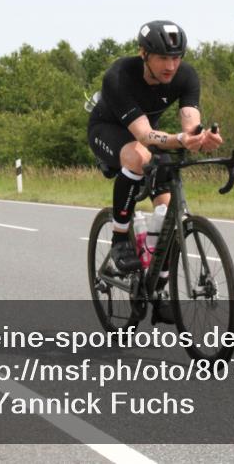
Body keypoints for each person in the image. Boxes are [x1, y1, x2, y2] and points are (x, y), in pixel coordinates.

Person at [87, 21, 223, 322]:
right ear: (143, 53)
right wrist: (180, 140)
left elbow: (190, 124)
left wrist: (201, 139)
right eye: (163, 57)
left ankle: (158, 290)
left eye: (177, 57)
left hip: (147, 134)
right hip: (108, 130)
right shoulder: (119, 76)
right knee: (139, 157)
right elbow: (145, 135)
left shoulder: (185, 76)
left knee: (167, 218)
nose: (171, 65)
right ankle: (120, 240)